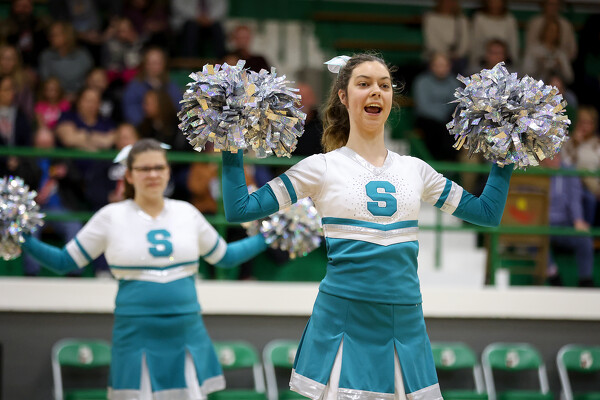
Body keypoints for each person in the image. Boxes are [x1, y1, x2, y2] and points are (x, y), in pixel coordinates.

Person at [220, 53, 513, 399]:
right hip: (343, 320)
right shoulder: (320, 168)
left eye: (384, 85)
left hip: (404, 322)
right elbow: (240, 209)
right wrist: (231, 142)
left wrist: (507, 150)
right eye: (364, 84)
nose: (376, 91)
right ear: (343, 97)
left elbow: (487, 213)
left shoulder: (417, 170)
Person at [21, 138, 269, 399]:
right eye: (144, 168)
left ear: (168, 172)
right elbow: (64, 261)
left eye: (159, 167)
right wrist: (21, 236)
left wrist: (269, 236)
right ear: (129, 175)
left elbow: (225, 257)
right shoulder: (110, 216)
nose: (153, 174)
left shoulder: (187, 212)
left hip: (186, 332)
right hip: (135, 335)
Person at [542, 153, 595, 288]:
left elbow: (575, 200)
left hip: (564, 224)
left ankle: (585, 280)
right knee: (534, 238)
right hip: (542, 224)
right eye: (550, 156)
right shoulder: (535, 172)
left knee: (584, 238)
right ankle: (553, 275)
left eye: (557, 156)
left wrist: (578, 220)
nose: (554, 159)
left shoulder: (569, 172)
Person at [413, 52, 457, 162]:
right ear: (431, 66)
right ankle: (433, 163)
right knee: (435, 129)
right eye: (438, 65)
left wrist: (446, 117)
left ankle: (449, 164)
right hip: (428, 119)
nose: (441, 69)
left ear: (449, 66)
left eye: (444, 65)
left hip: (448, 119)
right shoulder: (422, 81)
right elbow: (423, 107)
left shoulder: (454, 82)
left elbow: (456, 104)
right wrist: (442, 116)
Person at [122, 46, 182, 125]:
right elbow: (130, 110)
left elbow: (180, 108)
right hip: (143, 127)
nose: (153, 67)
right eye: (150, 63)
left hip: (168, 127)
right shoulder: (135, 86)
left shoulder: (171, 85)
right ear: (144, 64)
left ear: (164, 64)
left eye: (157, 63)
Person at [38, 21, 94, 99]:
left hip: (81, 97)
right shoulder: (46, 56)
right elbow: (46, 81)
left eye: (56, 35)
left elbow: (89, 79)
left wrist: (77, 95)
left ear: (68, 35)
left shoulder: (82, 55)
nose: (51, 38)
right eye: (51, 35)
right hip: (55, 98)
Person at [469, 0, 519, 71]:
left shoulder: (510, 19)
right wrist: (478, 58)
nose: (495, 4)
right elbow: (475, 41)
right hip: (482, 59)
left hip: (505, 61)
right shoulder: (479, 18)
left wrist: (512, 58)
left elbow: (513, 42)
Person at [423, 0, 470, 74]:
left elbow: (465, 42)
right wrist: (445, 56)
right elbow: (431, 43)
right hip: (436, 56)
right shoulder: (431, 18)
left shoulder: (461, 20)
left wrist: (457, 54)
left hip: (457, 59)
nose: (448, 3)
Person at [522, 17, 574, 84]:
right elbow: (524, 74)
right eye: (550, 30)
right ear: (544, 31)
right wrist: (538, 65)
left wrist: (560, 66)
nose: (552, 34)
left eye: (556, 31)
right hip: (535, 87)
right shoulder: (533, 50)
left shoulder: (561, 53)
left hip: (555, 88)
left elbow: (570, 78)